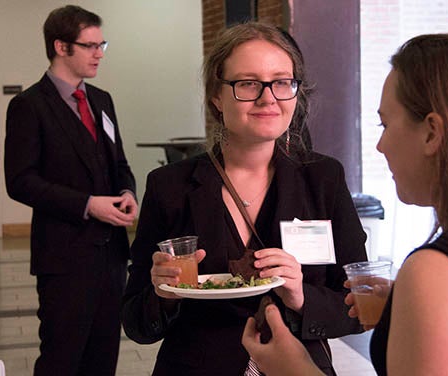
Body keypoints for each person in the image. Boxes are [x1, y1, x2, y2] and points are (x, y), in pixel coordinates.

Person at [242, 33, 448, 375]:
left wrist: (296, 369)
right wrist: (413, 311)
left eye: (385, 124)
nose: (380, 145)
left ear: (432, 133)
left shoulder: (436, 272)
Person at [121, 22, 367, 375]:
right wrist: (163, 294)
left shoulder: (323, 178)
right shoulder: (169, 186)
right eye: (248, 84)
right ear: (216, 97)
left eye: (282, 82)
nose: (268, 97)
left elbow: (357, 307)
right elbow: (136, 323)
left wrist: (301, 297)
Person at [4, 5, 138, 375]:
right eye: (90, 45)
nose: (99, 53)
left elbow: (120, 165)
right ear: (61, 47)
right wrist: (87, 205)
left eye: (102, 44)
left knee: (103, 356)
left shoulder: (101, 100)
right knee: (62, 359)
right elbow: (20, 181)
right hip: (64, 259)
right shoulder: (28, 106)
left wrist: (128, 193)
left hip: (111, 256)